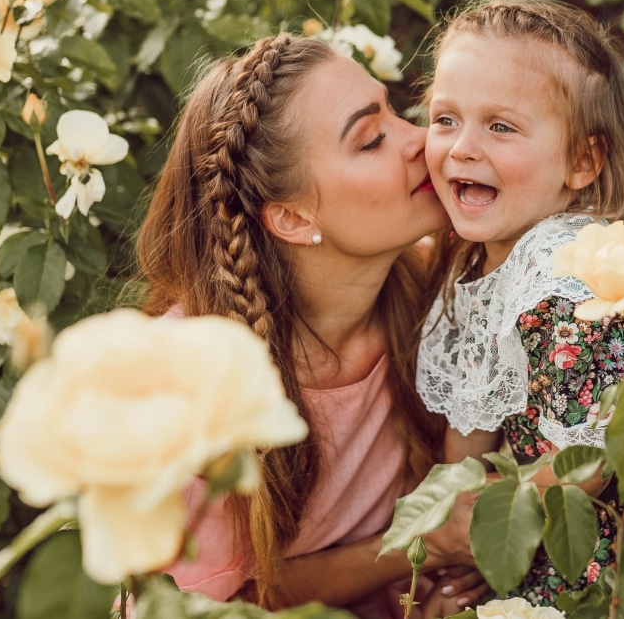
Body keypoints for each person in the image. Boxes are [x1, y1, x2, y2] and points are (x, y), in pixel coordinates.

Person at [136, 33, 486, 617]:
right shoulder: (187, 385)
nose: (421, 140)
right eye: (371, 140)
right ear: (294, 219)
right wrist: (421, 542)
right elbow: (214, 606)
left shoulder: (440, 283)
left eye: (396, 112)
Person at [416, 0, 624, 604]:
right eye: (445, 119)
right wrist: (454, 525)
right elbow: (468, 436)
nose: (462, 148)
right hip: (544, 520)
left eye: (501, 127)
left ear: (583, 161)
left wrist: (492, 535)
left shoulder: (572, 275)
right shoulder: (479, 263)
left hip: (616, 547)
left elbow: (590, 461)